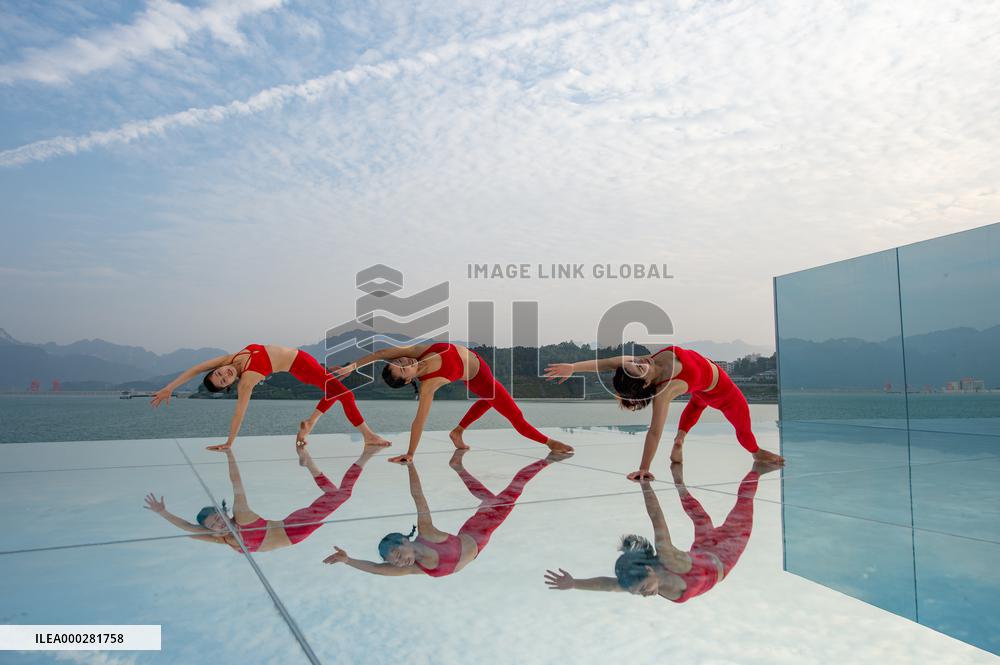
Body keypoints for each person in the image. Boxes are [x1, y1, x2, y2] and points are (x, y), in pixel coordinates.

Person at [545, 345, 782, 480]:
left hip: (699, 389)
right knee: (744, 431)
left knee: (696, 406)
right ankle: (757, 452)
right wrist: (644, 468)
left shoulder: (639, 366)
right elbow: (655, 432)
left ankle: (680, 439)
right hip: (722, 392)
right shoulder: (666, 389)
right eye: (639, 367)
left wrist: (573, 367)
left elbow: (606, 362)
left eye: (635, 361)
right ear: (647, 384)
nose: (640, 361)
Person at [544, 462, 773, 602]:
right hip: (721, 559)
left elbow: (657, 517)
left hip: (717, 548)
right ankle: (754, 472)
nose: (644, 595)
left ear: (647, 569)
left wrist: (645, 484)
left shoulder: (667, 555)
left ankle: (683, 482)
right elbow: (609, 585)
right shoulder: (639, 582)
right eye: (638, 592)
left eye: (642, 589)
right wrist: (574, 584)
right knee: (720, 513)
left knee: (707, 515)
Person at [323, 449, 563, 575]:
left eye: (396, 553)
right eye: (393, 561)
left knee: (510, 491)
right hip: (473, 537)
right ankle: (458, 467)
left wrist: (410, 466)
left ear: (406, 540)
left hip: (482, 527)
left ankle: (548, 459)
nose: (398, 562)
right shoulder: (414, 569)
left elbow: (419, 498)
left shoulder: (426, 533)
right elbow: (375, 569)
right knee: (488, 498)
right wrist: (348, 560)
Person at [333, 342, 571, 463]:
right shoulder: (428, 384)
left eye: (401, 360)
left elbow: (382, 352)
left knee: (491, 400)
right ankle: (549, 442)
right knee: (515, 416)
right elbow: (419, 420)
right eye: (403, 368)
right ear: (407, 381)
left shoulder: (418, 351)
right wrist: (410, 453)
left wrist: (352, 365)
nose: (405, 361)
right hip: (479, 379)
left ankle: (457, 432)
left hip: (481, 365)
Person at [151, 343, 389, 451]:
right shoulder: (247, 381)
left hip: (304, 361)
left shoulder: (230, 359)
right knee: (345, 394)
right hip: (303, 367)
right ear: (229, 386)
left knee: (336, 391)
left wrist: (169, 387)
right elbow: (239, 413)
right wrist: (229, 442)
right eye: (224, 381)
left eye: (219, 373)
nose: (225, 374)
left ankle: (309, 423)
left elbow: (196, 368)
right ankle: (368, 436)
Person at [144, 445, 377, 552]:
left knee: (341, 495)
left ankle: (365, 455)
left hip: (294, 528)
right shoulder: (221, 540)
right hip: (294, 533)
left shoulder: (242, 518)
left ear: (224, 513)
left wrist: (229, 454)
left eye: (218, 518)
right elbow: (187, 527)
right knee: (334, 496)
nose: (219, 524)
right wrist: (162, 512)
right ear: (211, 531)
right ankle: (309, 464)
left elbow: (237, 485)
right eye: (213, 525)